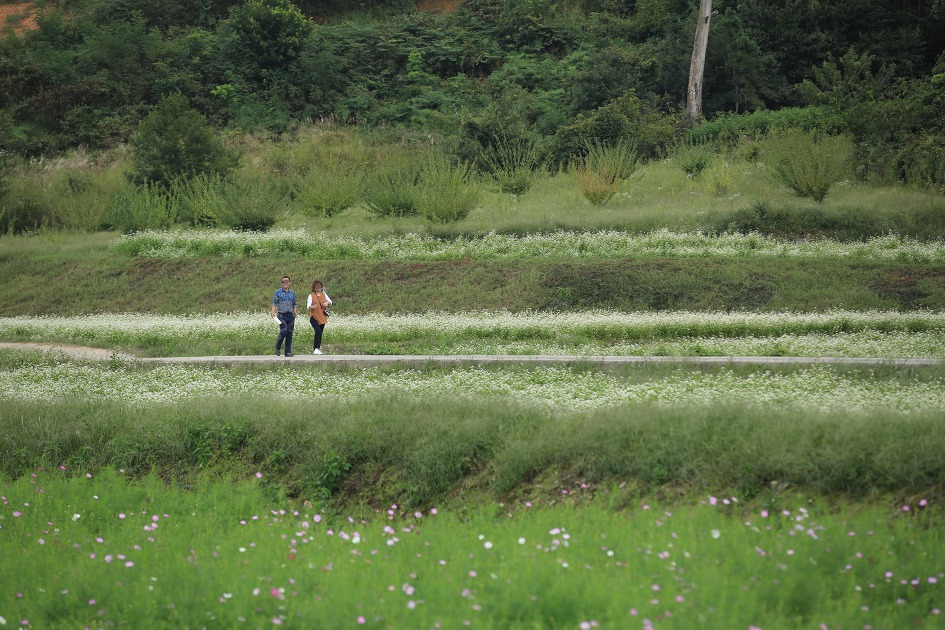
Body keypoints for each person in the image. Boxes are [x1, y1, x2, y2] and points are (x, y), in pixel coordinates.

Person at [271, 276, 298, 357]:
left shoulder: (292, 293)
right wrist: (273, 312)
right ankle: (278, 347)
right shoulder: (278, 292)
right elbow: (274, 303)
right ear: (282, 283)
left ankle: (288, 352)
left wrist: (295, 312)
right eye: (284, 282)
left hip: (290, 315)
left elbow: (294, 303)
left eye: (287, 282)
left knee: (289, 333)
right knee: (283, 332)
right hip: (281, 315)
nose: (285, 283)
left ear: (289, 283)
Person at [307, 280, 333, 355]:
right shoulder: (311, 296)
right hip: (314, 316)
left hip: (322, 316)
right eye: (316, 286)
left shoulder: (324, 294)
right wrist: (313, 307)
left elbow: (330, 302)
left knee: (320, 333)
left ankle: (317, 348)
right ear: (314, 287)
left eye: (319, 286)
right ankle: (316, 348)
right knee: (317, 331)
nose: (318, 288)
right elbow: (308, 306)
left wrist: (327, 303)